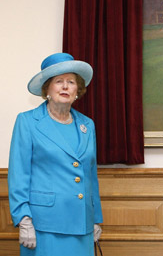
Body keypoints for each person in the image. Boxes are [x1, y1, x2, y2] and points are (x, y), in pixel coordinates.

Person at [8, 53, 103, 256]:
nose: (65, 86)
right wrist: (24, 219)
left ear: (78, 89)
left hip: (82, 225)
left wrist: (95, 218)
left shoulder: (87, 125)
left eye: (71, 81)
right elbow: (19, 175)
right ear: (47, 89)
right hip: (43, 226)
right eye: (59, 81)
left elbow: (90, 175)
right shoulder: (27, 122)